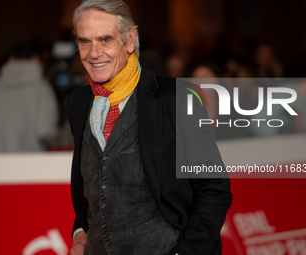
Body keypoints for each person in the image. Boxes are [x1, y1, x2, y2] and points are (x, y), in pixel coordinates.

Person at [67, 1, 232, 255]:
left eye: (105, 40)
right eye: (84, 41)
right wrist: (81, 232)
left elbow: (213, 188)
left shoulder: (177, 98)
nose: (93, 53)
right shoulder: (78, 103)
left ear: (130, 40)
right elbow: (96, 183)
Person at [0, 42, 58, 152]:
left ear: (10, 60)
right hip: (29, 162)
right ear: (36, 59)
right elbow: (45, 131)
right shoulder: (41, 89)